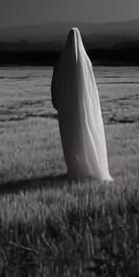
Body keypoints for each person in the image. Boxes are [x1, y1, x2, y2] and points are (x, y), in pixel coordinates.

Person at [51, 28, 113, 181]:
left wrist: (57, 102)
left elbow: (54, 86)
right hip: (83, 110)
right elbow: (91, 91)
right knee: (84, 135)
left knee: (69, 138)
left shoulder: (60, 63)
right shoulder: (86, 62)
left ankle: (73, 169)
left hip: (66, 111)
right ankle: (88, 167)